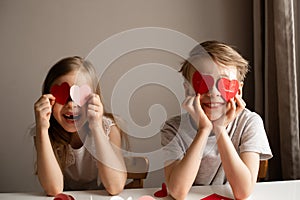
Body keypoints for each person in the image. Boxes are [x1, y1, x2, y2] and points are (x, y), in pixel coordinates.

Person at [160, 41, 272, 200]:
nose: (213, 93)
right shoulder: (172, 128)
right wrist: (204, 130)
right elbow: (178, 192)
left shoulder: (249, 122)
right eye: (204, 83)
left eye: (225, 83)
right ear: (187, 89)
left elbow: (243, 192)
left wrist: (220, 129)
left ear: (238, 90)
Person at [33, 56, 127, 196]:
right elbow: (54, 190)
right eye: (62, 96)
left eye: (79, 97)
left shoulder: (109, 128)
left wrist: (96, 126)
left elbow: (115, 187)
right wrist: (42, 129)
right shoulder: (46, 132)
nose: (71, 105)